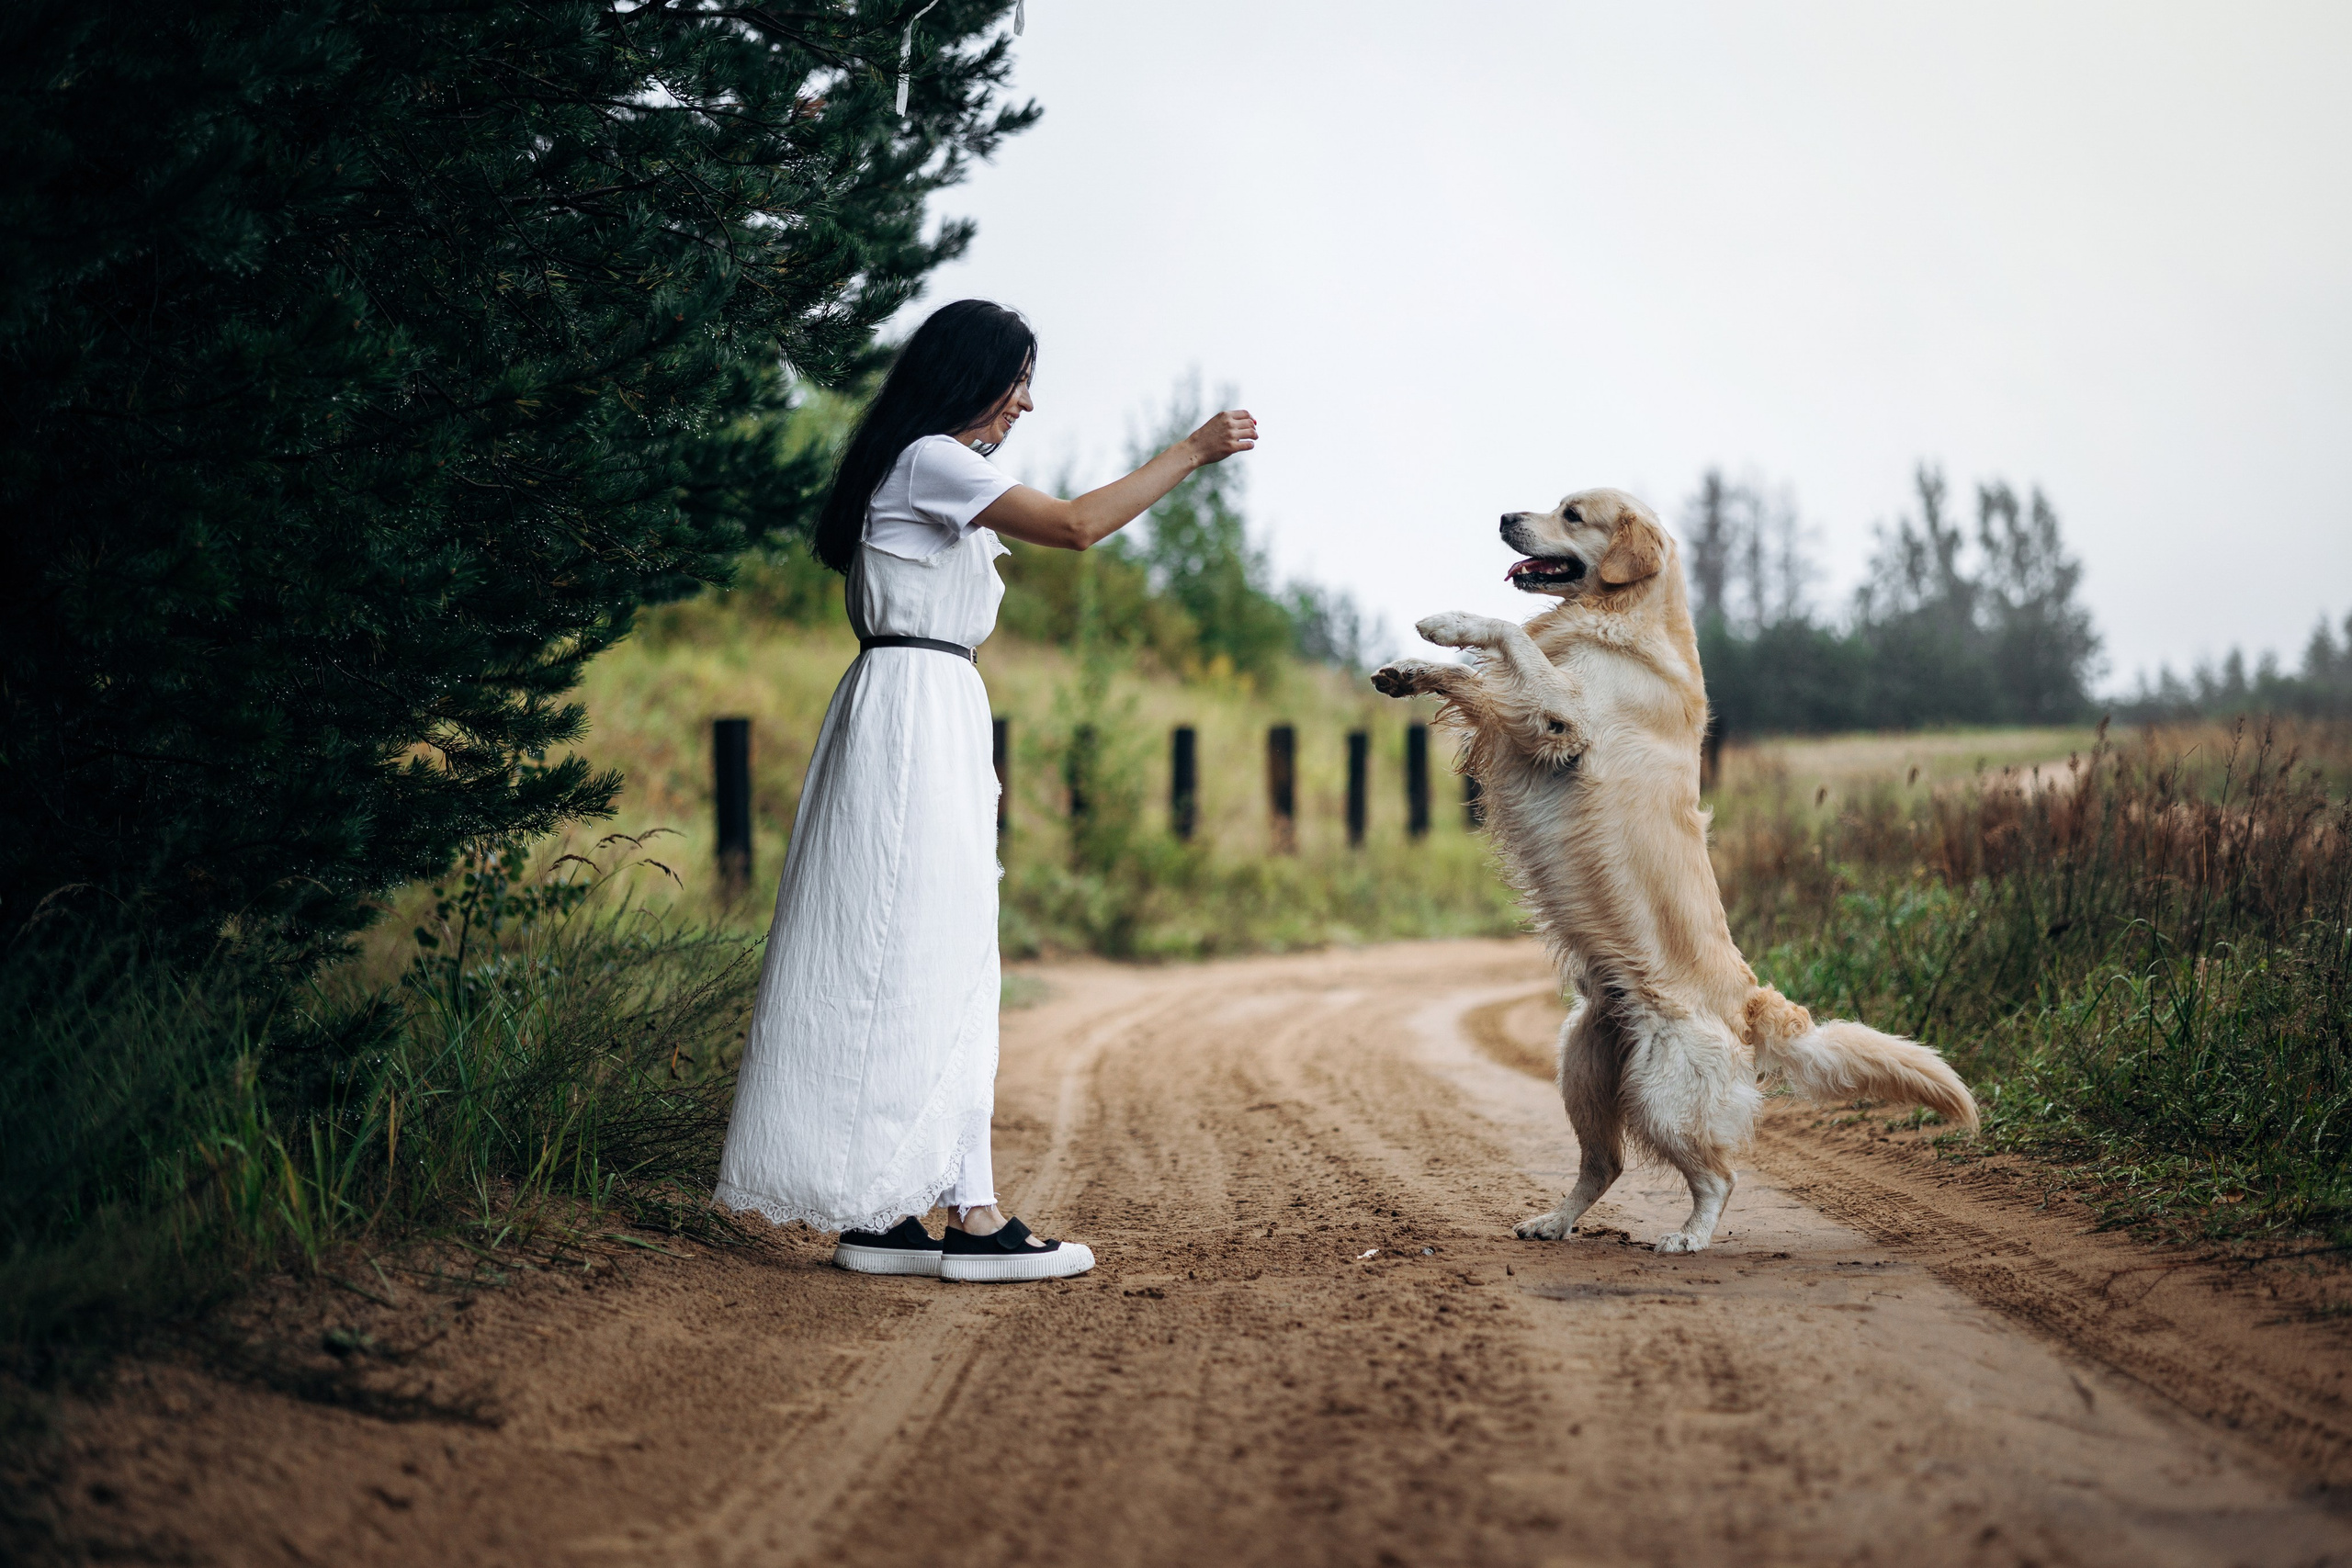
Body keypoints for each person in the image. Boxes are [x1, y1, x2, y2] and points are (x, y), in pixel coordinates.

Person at [715, 299, 1257, 1282]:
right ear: (967, 378)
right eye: (1015, 379)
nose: (1027, 401)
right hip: (914, 710)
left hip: (921, 705)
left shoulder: (922, 465)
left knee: (916, 955)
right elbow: (1078, 526)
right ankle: (971, 1217)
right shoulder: (932, 459)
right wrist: (1192, 450)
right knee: (939, 953)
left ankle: (888, 1213)